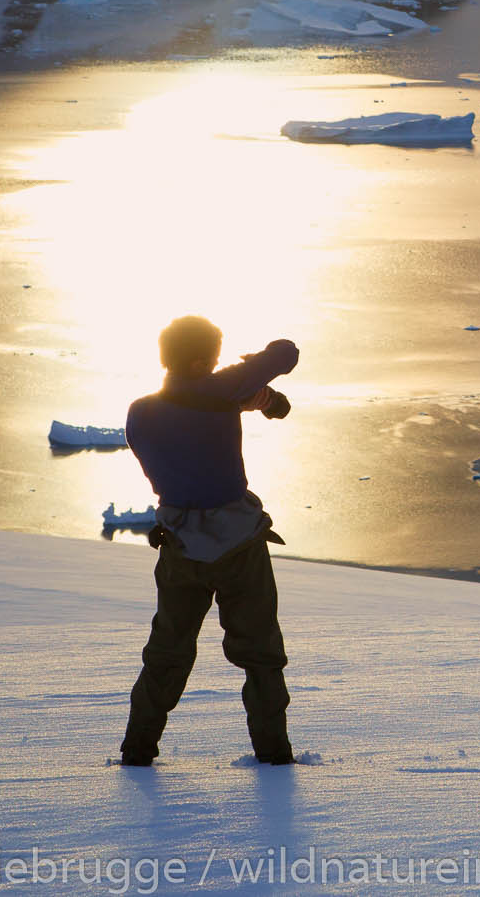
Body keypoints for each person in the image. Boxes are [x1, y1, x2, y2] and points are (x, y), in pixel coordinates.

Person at [117, 316, 300, 767]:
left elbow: (186, 424)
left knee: (166, 652)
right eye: (214, 359)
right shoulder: (222, 391)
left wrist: (230, 401)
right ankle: (274, 758)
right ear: (202, 361)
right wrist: (244, 378)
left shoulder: (140, 411)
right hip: (239, 547)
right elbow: (286, 353)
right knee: (260, 654)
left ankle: (137, 753)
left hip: (178, 546)